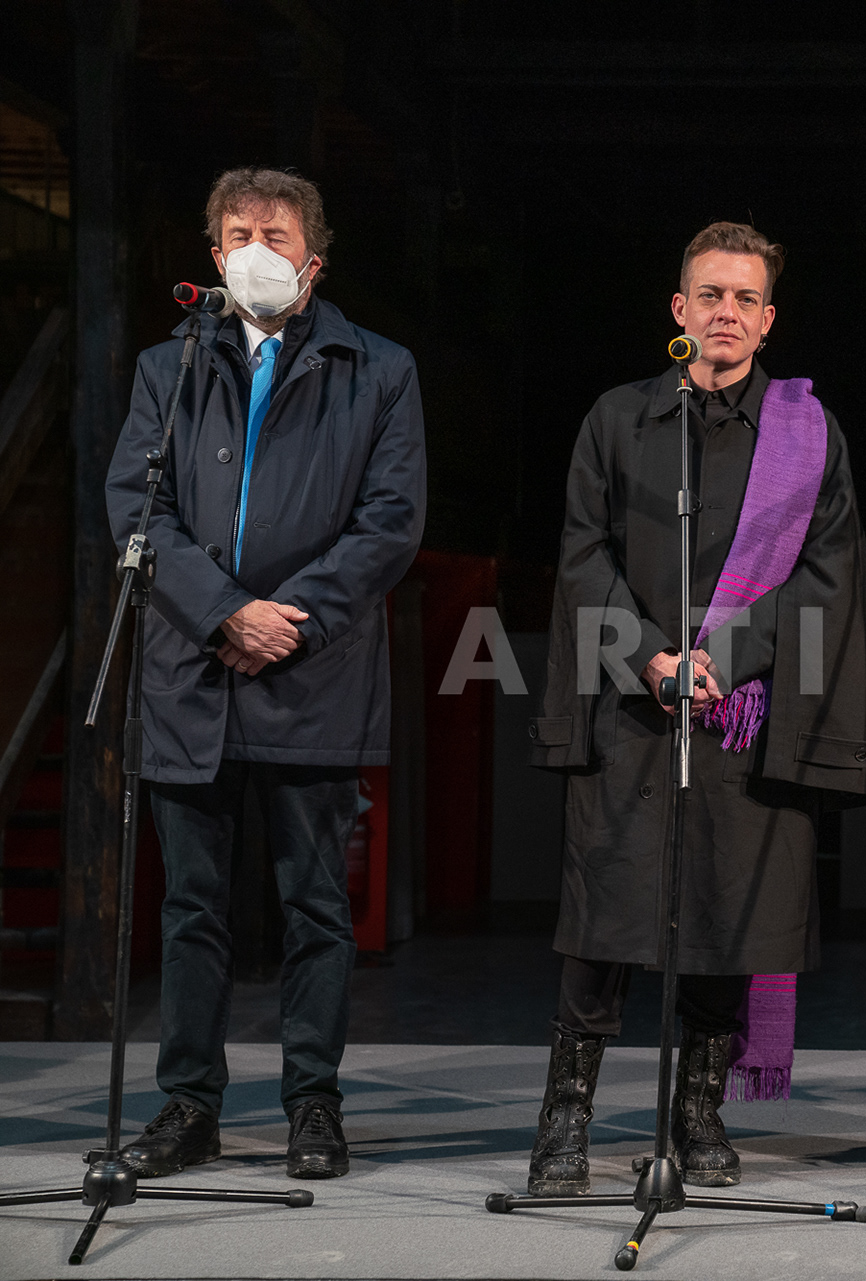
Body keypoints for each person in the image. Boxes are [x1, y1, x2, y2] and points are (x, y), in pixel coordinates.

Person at [525, 221, 866, 1194]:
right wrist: (647, 655)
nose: (725, 314)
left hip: (741, 708)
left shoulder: (807, 436)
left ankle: (699, 1113)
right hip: (629, 705)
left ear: (766, 322)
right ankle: (566, 1117)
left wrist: (724, 654)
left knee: (732, 914)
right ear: (678, 311)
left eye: (744, 300)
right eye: (709, 296)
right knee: (604, 919)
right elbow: (582, 555)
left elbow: (828, 573)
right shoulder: (618, 421)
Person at [104, 168, 427, 1180]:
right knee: (192, 910)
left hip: (312, 672)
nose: (255, 247)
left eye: (274, 232)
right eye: (237, 231)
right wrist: (223, 613)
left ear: (312, 258)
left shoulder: (377, 368)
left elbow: (390, 522)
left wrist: (290, 621)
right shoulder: (170, 368)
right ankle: (188, 1104)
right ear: (212, 256)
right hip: (190, 675)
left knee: (315, 906)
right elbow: (135, 509)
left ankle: (312, 1105)